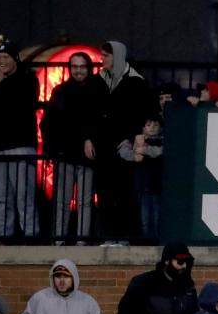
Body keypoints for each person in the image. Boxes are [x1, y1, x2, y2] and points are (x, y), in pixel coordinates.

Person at [0, 41, 40, 238]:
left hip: (20, 146)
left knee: (24, 196)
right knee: (0, 197)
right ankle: (5, 236)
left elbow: (20, 106)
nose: (1, 61)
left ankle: (30, 236)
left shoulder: (27, 79)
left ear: (15, 60)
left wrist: (1, 85)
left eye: (6, 57)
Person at [41, 51, 105, 241]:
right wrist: (51, 149)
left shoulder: (96, 91)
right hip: (65, 153)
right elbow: (49, 122)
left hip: (86, 156)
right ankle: (60, 238)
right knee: (62, 200)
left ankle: (81, 239)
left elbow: (100, 121)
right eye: (75, 66)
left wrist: (90, 139)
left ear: (88, 68)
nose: (78, 71)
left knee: (84, 201)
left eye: (82, 66)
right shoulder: (60, 91)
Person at [96, 41, 154, 241]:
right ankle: (108, 236)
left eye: (107, 55)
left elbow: (141, 112)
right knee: (105, 194)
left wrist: (134, 138)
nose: (102, 59)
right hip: (104, 147)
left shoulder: (135, 81)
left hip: (125, 148)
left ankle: (125, 236)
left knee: (124, 194)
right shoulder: (100, 79)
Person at [116, 114, 164, 242]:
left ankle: (156, 243)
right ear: (143, 128)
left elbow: (161, 151)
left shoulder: (164, 140)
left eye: (155, 125)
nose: (152, 128)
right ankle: (145, 242)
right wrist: (134, 154)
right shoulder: (135, 140)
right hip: (142, 185)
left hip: (158, 185)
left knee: (157, 218)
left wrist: (144, 150)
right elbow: (122, 150)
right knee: (144, 219)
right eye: (148, 125)